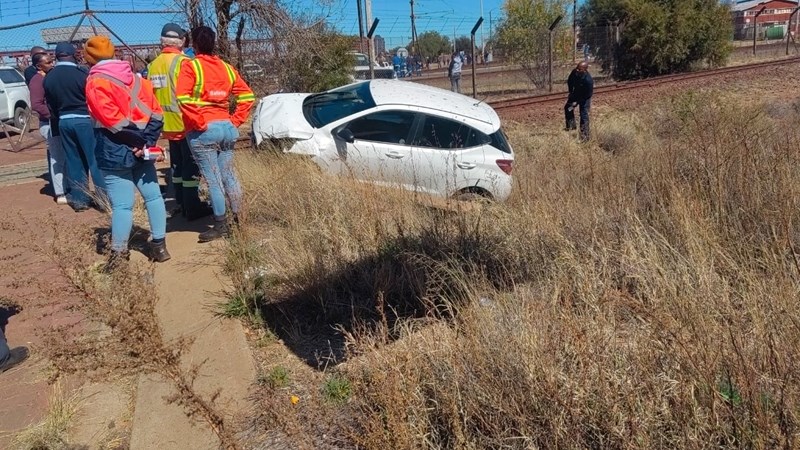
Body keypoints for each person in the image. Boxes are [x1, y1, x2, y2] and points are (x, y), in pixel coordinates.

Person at [83, 36, 170, 266]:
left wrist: (135, 141)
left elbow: (112, 121)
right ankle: (159, 247)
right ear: (113, 53)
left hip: (113, 149)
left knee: (122, 205)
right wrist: (145, 143)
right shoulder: (139, 80)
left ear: (89, 58)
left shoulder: (95, 83)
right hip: (142, 148)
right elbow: (158, 115)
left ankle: (119, 255)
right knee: (153, 196)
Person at [176, 26, 255, 243]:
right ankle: (240, 218)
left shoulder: (191, 67)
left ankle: (220, 224)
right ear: (214, 44)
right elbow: (247, 96)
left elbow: (183, 99)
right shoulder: (227, 68)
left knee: (213, 180)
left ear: (195, 45)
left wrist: (199, 122)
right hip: (226, 128)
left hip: (204, 131)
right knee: (229, 175)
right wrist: (235, 121)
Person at [148, 23, 212, 221]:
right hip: (185, 122)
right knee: (191, 166)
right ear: (182, 41)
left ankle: (181, 202)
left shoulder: (154, 65)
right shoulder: (184, 62)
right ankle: (192, 207)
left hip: (165, 124)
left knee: (176, 165)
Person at [44, 42, 107, 212]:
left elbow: (51, 106)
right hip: (85, 120)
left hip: (64, 121)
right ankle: (103, 200)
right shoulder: (82, 74)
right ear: (73, 54)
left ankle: (80, 200)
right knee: (94, 159)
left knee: (73, 160)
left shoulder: (49, 77)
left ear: (56, 56)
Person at [29, 52, 67, 205]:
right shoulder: (37, 81)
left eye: (52, 61)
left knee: (64, 156)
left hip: (59, 121)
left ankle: (68, 185)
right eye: (48, 62)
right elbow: (37, 104)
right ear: (39, 66)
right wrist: (53, 115)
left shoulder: (51, 77)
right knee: (57, 157)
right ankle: (60, 192)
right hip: (49, 123)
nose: (52, 64)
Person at [564, 61, 594, 141]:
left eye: (579, 69)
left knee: (583, 114)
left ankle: (585, 136)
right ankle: (571, 127)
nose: (577, 70)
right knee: (568, 107)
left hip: (585, 97)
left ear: (584, 70)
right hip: (576, 93)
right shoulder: (574, 72)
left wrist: (577, 102)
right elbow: (570, 81)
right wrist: (571, 92)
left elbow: (588, 94)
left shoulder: (588, 81)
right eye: (577, 68)